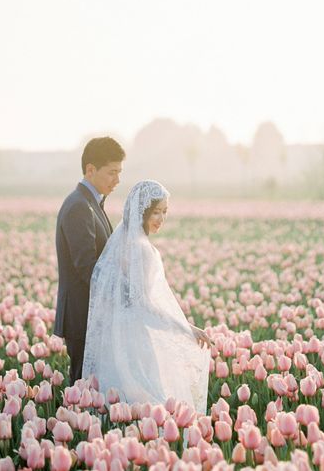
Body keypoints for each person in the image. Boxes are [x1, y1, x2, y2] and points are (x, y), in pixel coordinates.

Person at [82, 180, 211, 413]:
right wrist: (185, 327)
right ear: (141, 212)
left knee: (119, 402)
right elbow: (145, 304)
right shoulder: (142, 249)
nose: (161, 219)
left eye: (165, 212)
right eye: (155, 212)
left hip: (115, 334)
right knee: (148, 400)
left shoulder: (121, 243)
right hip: (136, 338)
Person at [54, 136, 126, 384]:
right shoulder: (79, 206)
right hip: (82, 315)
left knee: (91, 390)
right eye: (112, 173)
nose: (118, 180)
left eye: (120, 173)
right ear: (90, 170)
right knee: (82, 389)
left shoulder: (92, 203)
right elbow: (88, 267)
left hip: (94, 313)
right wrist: (124, 291)